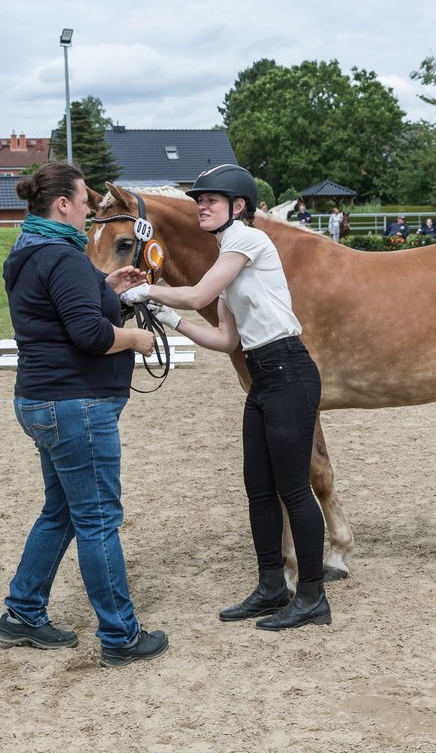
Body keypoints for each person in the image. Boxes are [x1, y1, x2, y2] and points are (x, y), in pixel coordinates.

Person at [120, 164, 331, 631]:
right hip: (262, 375)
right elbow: (224, 340)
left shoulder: (246, 240)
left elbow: (196, 296)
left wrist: (143, 288)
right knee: (258, 488)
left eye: (211, 200)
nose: (202, 205)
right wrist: (161, 314)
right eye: (199, 199)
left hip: (289, 370)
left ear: (238, 207)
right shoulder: (228, 261)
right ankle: (272, 586)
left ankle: (313, 595)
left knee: (293, 489)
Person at [0, 160, 169, 667]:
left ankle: (23, 612)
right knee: (97, 519)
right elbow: (92, 336)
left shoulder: (30, 252)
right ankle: (120, 634)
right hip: (76, 404)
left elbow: (66, 314)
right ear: (63, 204)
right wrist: (137, 337)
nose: (91, 211)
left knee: (63, 511)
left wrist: (107, 290)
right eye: (85, 202)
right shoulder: (65, 258)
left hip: (43, 398)